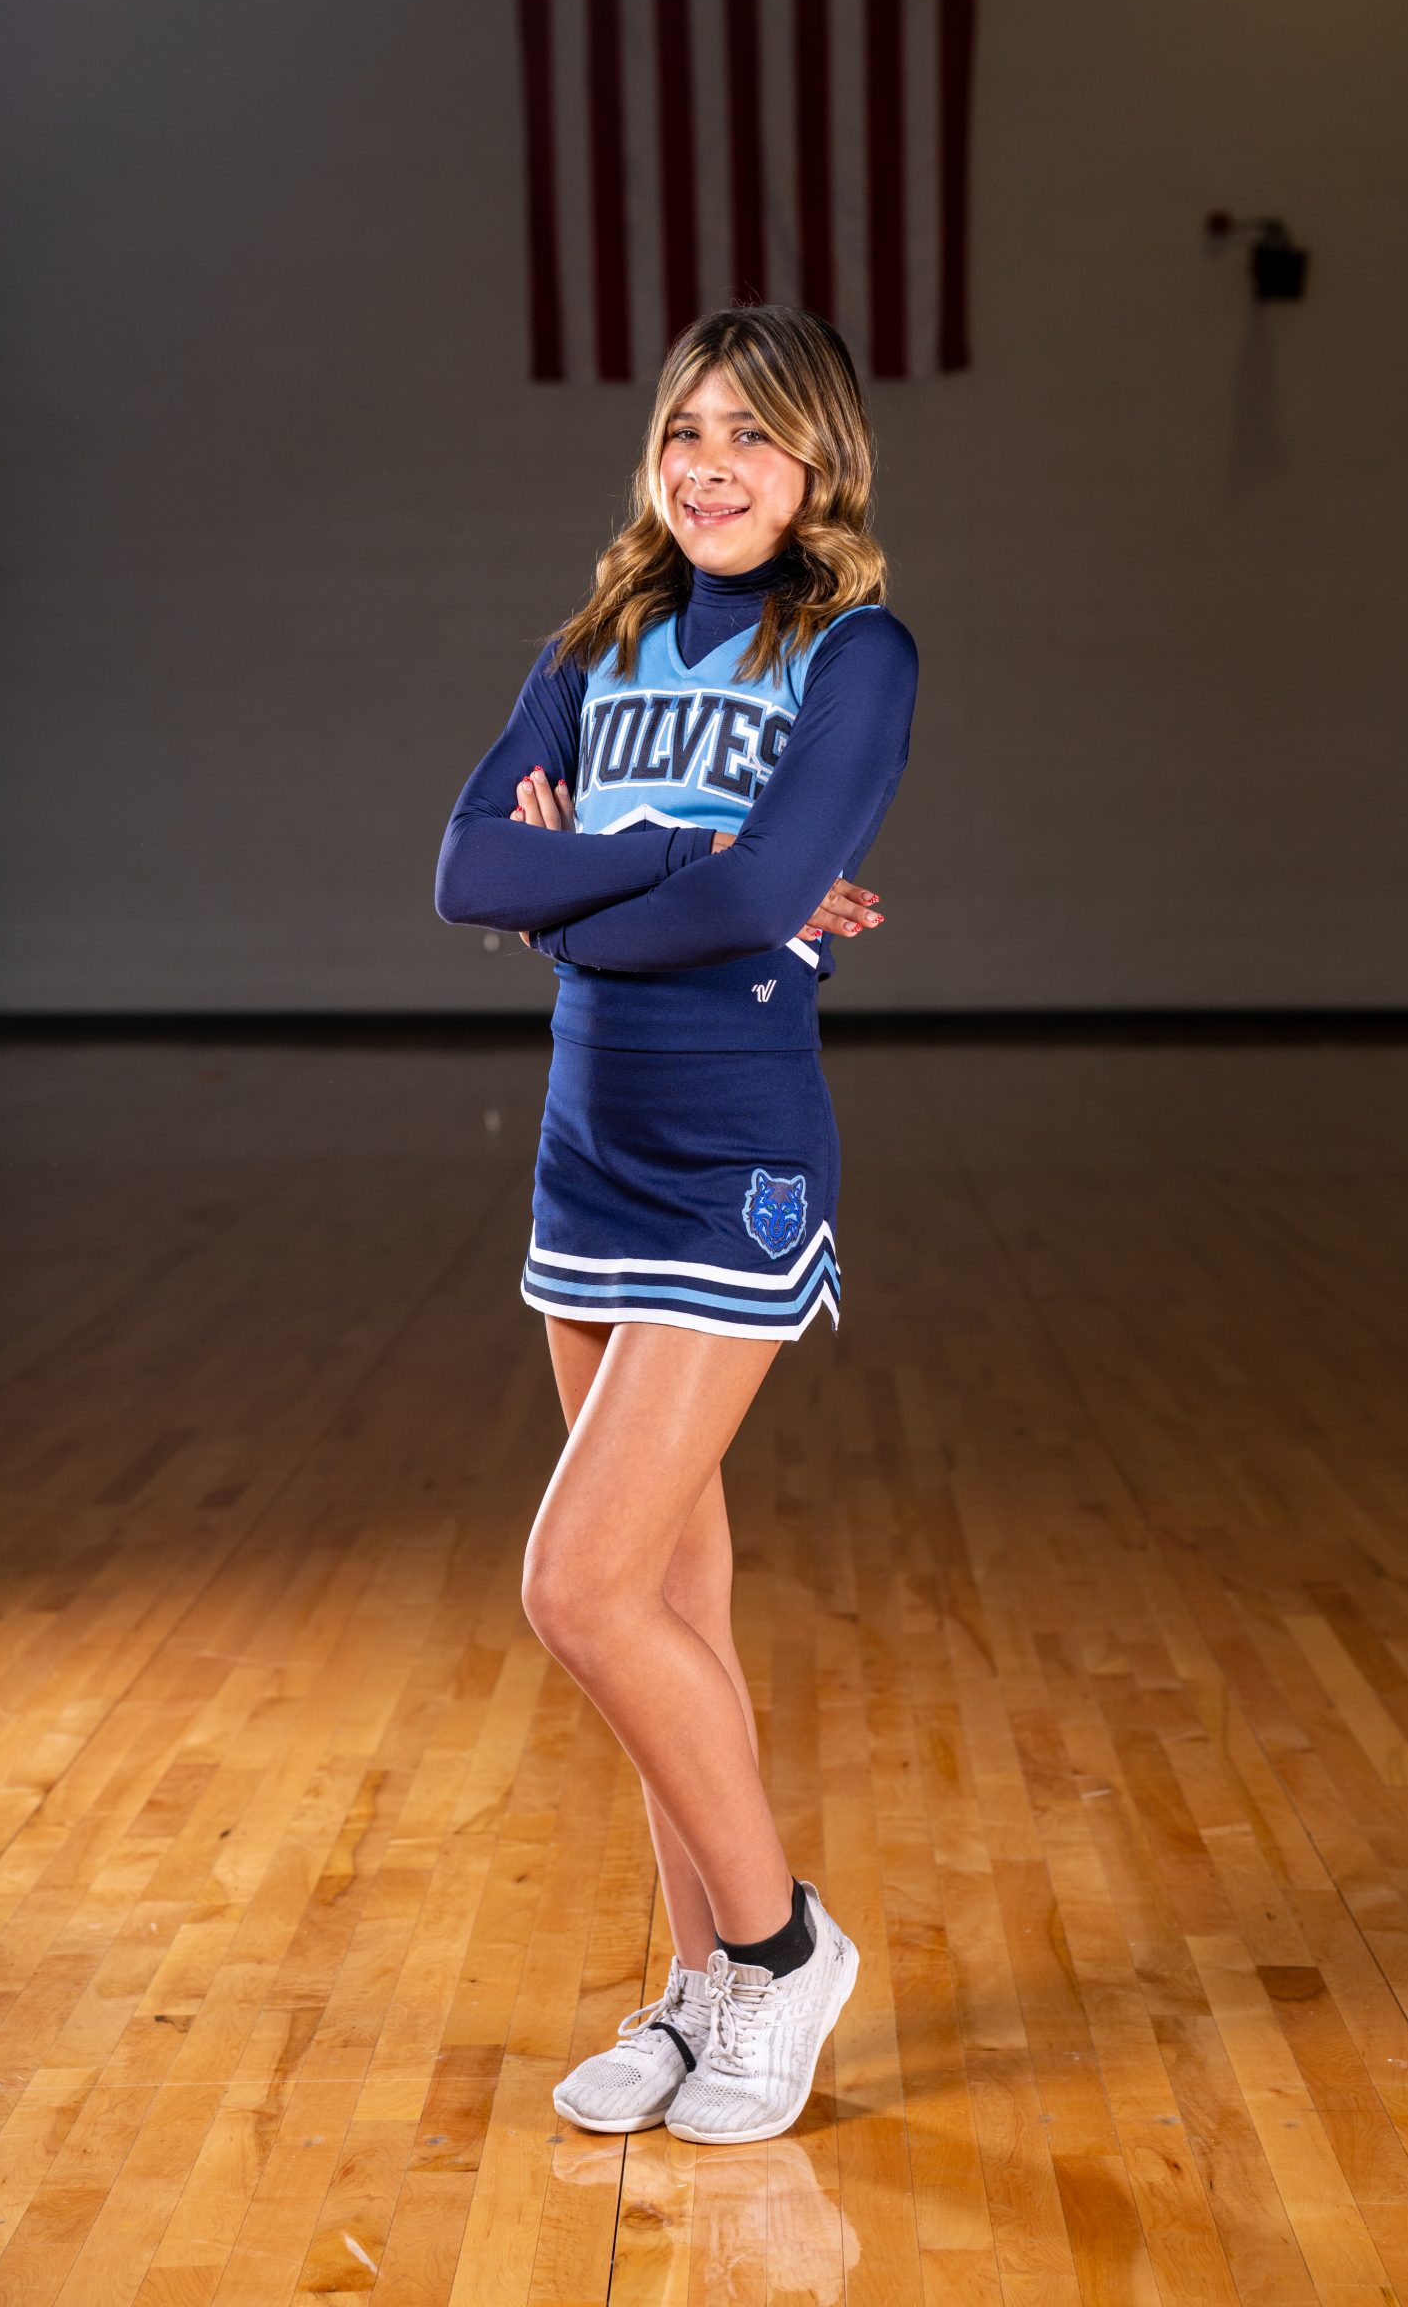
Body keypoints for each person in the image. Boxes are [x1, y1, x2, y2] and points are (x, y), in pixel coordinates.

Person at [433, 303, 919, 2144]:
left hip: (733, 1152)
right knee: (663, 1606)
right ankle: (702, 1984)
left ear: (819, 464)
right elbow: (464, 868)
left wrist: (579, 884)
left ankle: (783, 1950)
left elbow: (763, 895)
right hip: (587, 1149)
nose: (712, 466)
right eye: (686, 431)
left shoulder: (856, 651)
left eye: (753, 435)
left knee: (575, 1588)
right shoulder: (591, 644)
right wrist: (667, 861)